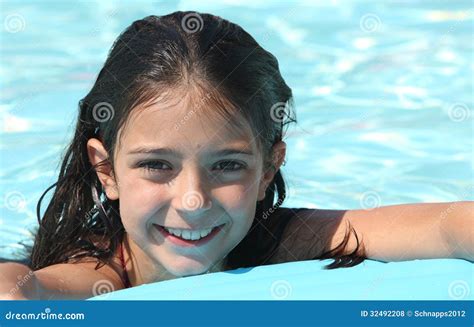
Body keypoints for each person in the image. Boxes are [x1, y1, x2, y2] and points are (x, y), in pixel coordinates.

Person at [1, 11, 472, 300]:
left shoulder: (279, 240)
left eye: (226, 165)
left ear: (269, 167)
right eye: (156, 165)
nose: (192, 200)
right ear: (106, 170)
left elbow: (447, 227)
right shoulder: (102, 270)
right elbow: (33, 288)